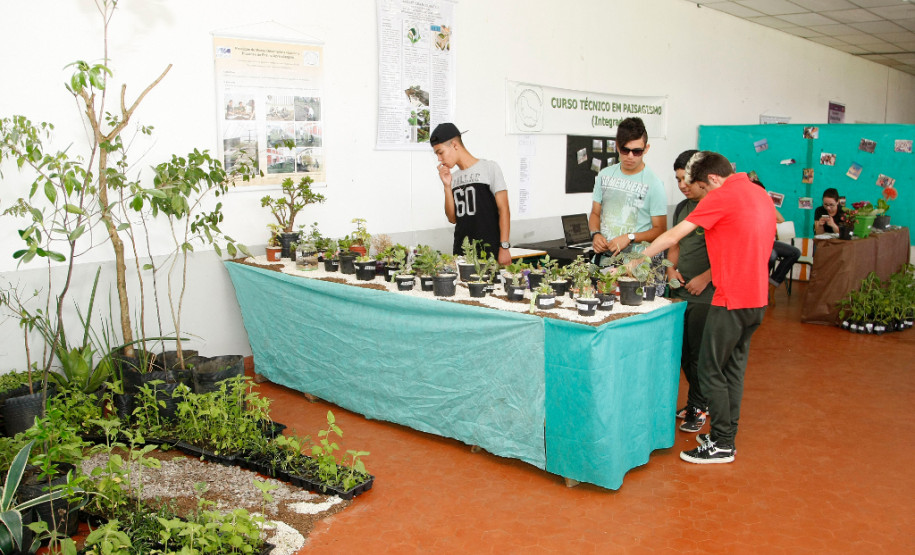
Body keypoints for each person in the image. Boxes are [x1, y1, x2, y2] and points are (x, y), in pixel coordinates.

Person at [628, 151, 775, 464]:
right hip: (757, 299)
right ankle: (726, 435)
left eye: (702, 188)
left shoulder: (722, 195)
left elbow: (673, 234)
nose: (702, 196)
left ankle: (722, 444)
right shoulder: (758, 193)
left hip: (730, 299)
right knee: (732, 370)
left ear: (712, 179)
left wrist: (636, 259)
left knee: (709, 370)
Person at [588, 117, 667, 292]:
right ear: (617, 146)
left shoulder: (654, 184)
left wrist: (630, 237)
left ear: (646, 149)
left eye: (637, 151)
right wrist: (596, 234)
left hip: (637, 265)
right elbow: (595, 213)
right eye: (625, 150)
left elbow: (660, 230)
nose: (630, 156)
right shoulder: (604, 175)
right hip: (605, 261)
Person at [668, 150, 713, 434]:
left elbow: (730, 253)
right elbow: (674, 243)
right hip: (680, 291)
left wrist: (706, 278)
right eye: (677, 179)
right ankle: (698, 401)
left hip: (705, 294)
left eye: (685, 178)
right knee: (683, 351)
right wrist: (670, 271)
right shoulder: (682, 208)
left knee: (699, 354)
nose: (682, 184)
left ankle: (699, 405)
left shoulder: (715, 207)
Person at [431, 123, 511, 265]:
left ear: (454, 145)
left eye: (440, 152)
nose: (439, 158)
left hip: (489, 251)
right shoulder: (453, 177)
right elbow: (452, 218)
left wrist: (504, 247)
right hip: (462, 252)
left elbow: (504, 209)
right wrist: (447, 186)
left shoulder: (489, 168)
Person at [749, 174, 800, 305]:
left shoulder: (766, 205)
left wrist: (767, 206)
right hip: (754, 244)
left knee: (795, 252)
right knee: (771, 256)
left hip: (768, 242)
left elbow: (781, 219)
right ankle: (759, 286)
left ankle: (772, 284)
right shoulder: (746, 206)